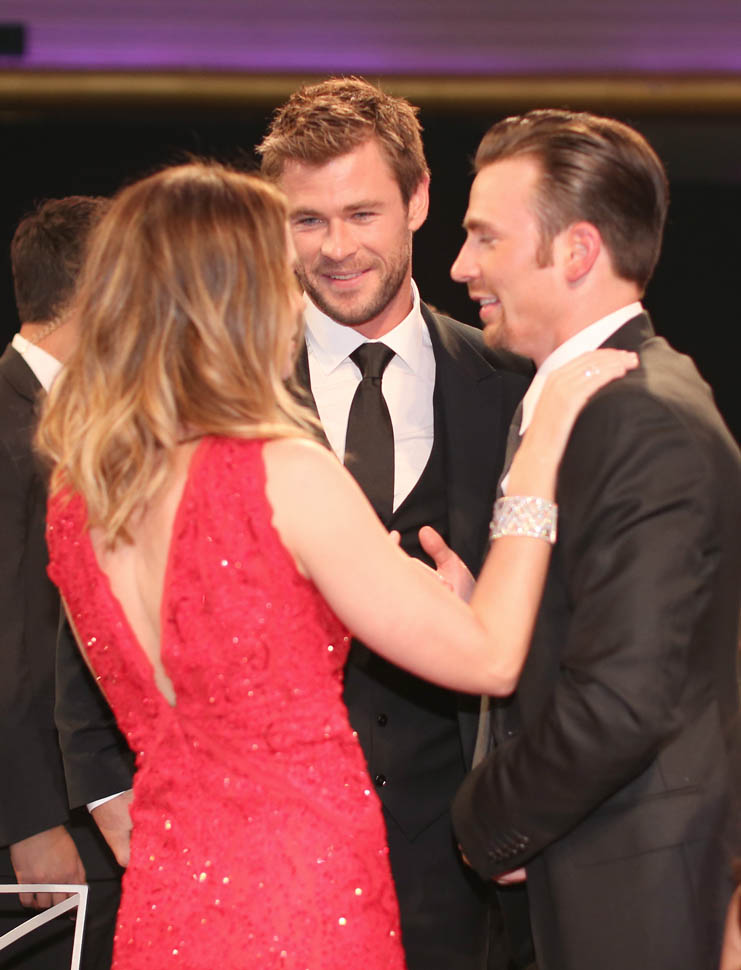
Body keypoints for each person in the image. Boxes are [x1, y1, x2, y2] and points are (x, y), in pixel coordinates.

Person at [36, 161, 635, 970]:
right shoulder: (282, 474)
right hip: (304, 893)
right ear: (241, 300)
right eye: (281, 274)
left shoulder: (79, 496)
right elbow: (490, 658)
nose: (298, 297)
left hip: (168, 896)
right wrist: (540, 449)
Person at [446, 109, 741, 970]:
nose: (460, 266)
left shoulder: (639, 416)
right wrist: (484, 613)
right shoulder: (593, 403)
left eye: (485, 238)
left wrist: (483, 823)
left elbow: (623, 700)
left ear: (576, 251)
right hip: (591, 871)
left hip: (632, 894)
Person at [256, 76, 532, 970]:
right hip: (271, 850)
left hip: (464, 855)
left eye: (362, 214)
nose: (336, 248)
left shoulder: (514, 384)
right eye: (307, 220)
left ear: (417, 201)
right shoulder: (227, 390)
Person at [0, 196, 125, 970]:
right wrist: (30, 819)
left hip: (93, 803)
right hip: (45, 823)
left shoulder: (89, 414)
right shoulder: (10, 422)